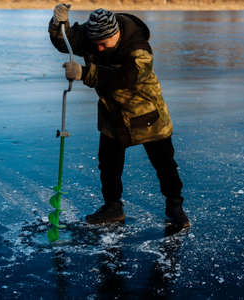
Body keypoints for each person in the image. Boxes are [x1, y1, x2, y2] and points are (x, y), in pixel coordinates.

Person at [49, 5, 190, 227]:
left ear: (116, 34)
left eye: (105, 43)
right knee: (109, 165)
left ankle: (175, 206)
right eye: (96, 44)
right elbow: (65, 42)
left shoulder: (138, 49)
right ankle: (113, 208)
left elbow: (126, 78)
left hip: (147, 115)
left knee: (165, 165)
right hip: (112, 114)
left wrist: (84, 73)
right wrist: (60, 24)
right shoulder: (94, 37)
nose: (100, 48)